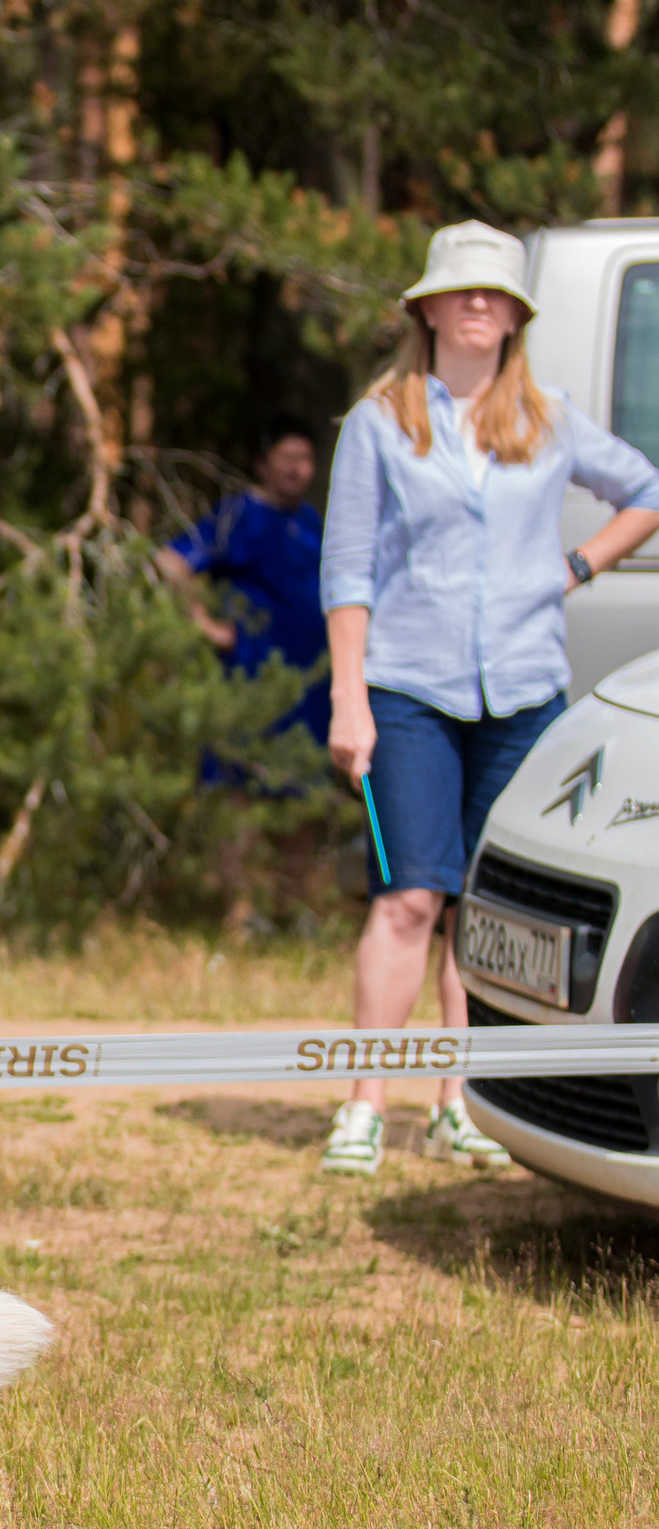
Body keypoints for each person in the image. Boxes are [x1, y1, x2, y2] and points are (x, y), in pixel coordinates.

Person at [319, 220, 659, 1176]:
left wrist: (577, 567)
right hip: (410, 690)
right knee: (410, 897)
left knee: (489, 911)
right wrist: (352, 698)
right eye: (460, 290)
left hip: (522, 693)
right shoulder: (380, 423)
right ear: (426, 309)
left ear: (516, 315)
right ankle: (363, 1101)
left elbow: (645, 487)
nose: (478, 304)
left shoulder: (546, 419)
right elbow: (346, 569)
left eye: (495, 292)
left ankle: (462, 1100)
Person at [156, 413, 331, 748]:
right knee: (242, 785)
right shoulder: (239, 515)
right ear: (262, 463)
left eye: (305, 459)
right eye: (287, 458)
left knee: (304, 793)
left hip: (309, 692)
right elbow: (171, 562)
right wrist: (206, 626)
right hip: (251, 683)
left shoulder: (310, 521)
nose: (297, 469)